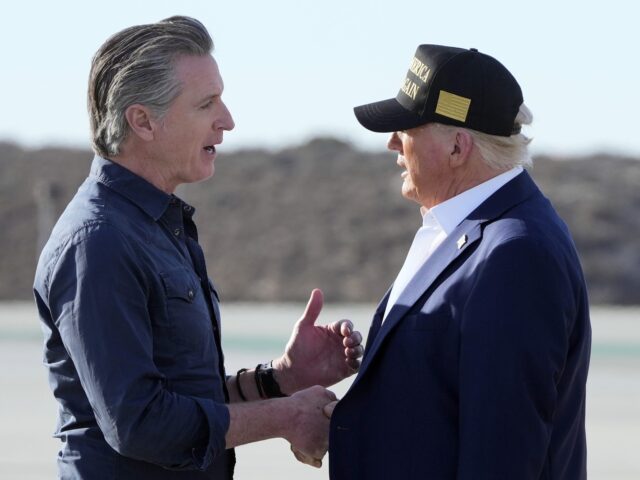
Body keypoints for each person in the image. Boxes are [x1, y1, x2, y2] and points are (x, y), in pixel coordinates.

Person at [33, 16, 363, 479]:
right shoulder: (98, 242)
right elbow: (140, 423)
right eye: (206, 103)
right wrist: (287, 415)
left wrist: (282, 379)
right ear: (143, 121)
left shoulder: (160, 226)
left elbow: (187, 398)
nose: (227, 120)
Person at [327, 44, 591, 479]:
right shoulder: (467, 230)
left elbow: (503, 453)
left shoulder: (514, 253)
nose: (392, 141)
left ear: (457, 147)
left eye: (407, 127)